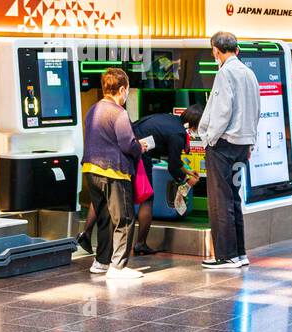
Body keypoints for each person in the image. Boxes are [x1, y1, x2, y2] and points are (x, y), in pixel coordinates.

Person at [76, 105, 203, 256]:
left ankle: (86, 233)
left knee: (105, 192)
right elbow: (173, 167)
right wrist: (187, 181)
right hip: (139, 153)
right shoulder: (179, 134)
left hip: (126, 148)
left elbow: (174, 160)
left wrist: (187, 171)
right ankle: (140, 243)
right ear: (196, 122)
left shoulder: (171, 120)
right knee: (147, 198)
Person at [197, 31, 260, 270]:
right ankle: (239, 253)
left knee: (220, 200)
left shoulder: (225, 73)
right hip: (242, 145)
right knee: (234, 198)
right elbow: (256, 109)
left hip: (223, 145)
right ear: (237, 49)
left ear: (215, 50)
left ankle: (225, 255)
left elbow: (222, 111)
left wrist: (209, 138)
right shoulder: (249, 73)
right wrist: (250, 141)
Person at [81, 68, 143, 280]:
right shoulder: (119, 113)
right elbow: (127, 144)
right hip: (113, 171)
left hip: (91, 170)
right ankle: (118, 267)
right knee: (123, 218)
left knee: (104, 217)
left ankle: (101, 262)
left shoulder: (93, 109)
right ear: (123, 89)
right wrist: (139, 148)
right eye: (127, 90)